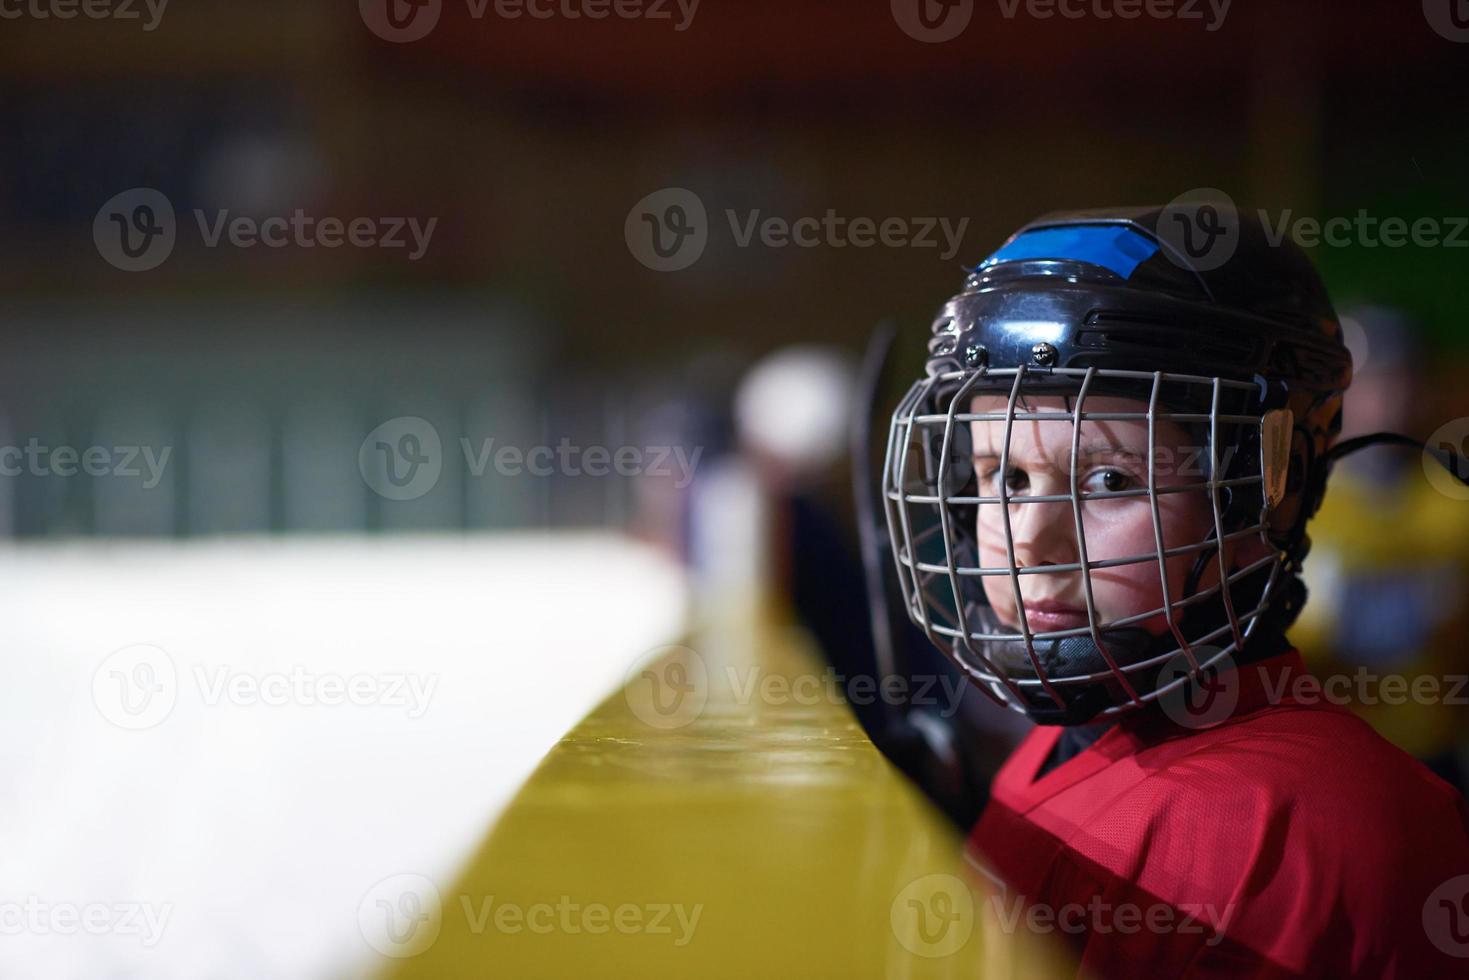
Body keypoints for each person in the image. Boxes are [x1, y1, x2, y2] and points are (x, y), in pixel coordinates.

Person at [879, 206, 1469, 976]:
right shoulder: (1077, 736)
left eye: (1109, 479)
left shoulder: (1307, 834)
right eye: (1005, 477)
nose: (1029, 537)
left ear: (1268, 491)